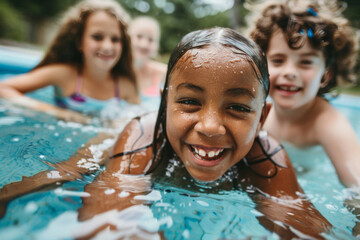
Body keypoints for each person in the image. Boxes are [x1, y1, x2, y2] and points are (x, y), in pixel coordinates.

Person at [0, 27, 330, 239]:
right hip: (126, 134)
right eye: (189, 101)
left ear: (262, 118)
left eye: (238, 108)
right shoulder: (141, 142)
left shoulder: (268, 157)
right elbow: (107, 220)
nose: (210, 127)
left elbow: (303, 225)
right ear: (164, 104)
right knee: (69, 170)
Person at [247, 0, 360, 187]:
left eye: (306, 62)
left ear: (325, 75)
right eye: (278, 60)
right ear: (261, 64)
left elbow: (356, 186)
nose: (290, 72)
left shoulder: (328, 123)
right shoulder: (261, 112)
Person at [0, 0, 139, 123]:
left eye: (115, 39)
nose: (107, 47)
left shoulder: (125, 86)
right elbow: (3, 88)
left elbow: (138, 120)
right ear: (79, 42)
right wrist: (56, 111)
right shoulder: (64, 74)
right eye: (97, 37)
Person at [128, 16, 167, 110]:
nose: (144, 44)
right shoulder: (115, 74)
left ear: (157, 46)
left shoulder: (165, 73)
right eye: (139, 36)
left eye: (150, 40)